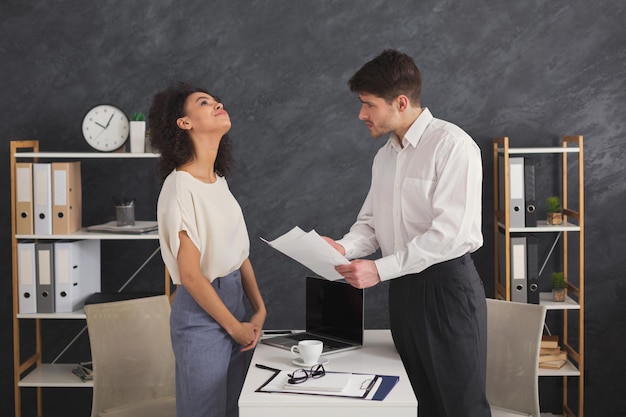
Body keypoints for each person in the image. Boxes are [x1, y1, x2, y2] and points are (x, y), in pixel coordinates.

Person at [323, 50, 491, 417]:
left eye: (368, 105)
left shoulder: (453, 146)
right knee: (418, 404)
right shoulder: (385, 156)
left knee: (460, 408)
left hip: (447, 290)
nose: (361, 114)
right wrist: (344, 246)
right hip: (404, 290)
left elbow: (450, 234)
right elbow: (370, 224)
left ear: (400, 102)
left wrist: (379, 270)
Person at [149, 82, 266, 417]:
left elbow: (238, 253)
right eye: (204, 103)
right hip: (202, 318)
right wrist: (234, 326)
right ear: (184, 123)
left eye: (217, 101)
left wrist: (258, 309)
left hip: (235, 308)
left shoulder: (218, 181)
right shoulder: (179, 186)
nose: (217, 104)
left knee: (234, 410)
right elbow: (190, 275)